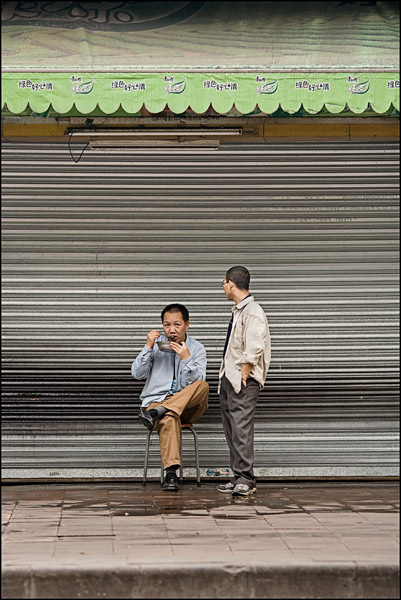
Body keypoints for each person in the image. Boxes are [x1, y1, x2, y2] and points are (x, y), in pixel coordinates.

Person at [131, 303, 209, 492]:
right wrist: (148, 347)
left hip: (187, 408)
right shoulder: (156, 348)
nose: (171, 330)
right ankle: (171, 474)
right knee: (169, 418)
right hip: (156, 401)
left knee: (203, 385)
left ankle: (159, 411)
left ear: (187, 325)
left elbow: (197, 382)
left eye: (177, 325)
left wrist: (186, 359)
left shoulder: (197, 349)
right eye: (167, 325)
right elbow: (137, 374)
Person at [218, 266, 271, 497]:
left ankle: (246, 479)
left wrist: (245, 371)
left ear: (231, 283)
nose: (222, 287)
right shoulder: (239, 310)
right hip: (230, 376)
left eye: (223, 282)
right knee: (232, 426)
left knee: (241, 427)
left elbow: (255, 344)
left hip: (242, 378)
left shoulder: (253, 311)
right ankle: (237, 475)